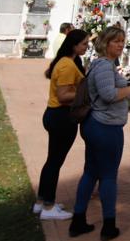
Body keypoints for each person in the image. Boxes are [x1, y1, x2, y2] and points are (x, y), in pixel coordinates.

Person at [68, 26, 130, 241]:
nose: (120, 45)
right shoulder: (103, 67)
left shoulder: (106, 65)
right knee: (108, 176)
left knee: (91, 172)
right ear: (105, 43)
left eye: (122, 41)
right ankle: (108, 226)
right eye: (115, 41)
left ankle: (78, 220)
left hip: (98, 126)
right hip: (104, 128)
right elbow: (109, 94)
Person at [34, 29, 90, 221]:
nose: (86, 47)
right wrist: (88, 94)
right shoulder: (66, 65)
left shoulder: (67, 62)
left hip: (55, 115)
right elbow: (64, 96)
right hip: (61, 117)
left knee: (52, 160)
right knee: (55, 162)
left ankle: (42, 201)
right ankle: (48, 207)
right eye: (84, 44)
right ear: (73, 45)